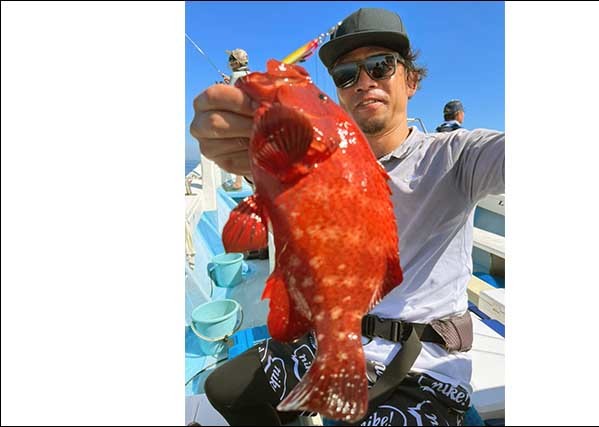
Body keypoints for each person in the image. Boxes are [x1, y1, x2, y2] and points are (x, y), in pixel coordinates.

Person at [190, 7, 504, 426]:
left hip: (420, 366)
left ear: (410, 80)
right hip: (332, 337)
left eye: (380, 66)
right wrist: (249, 158)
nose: (364, 82)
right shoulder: (316, 160)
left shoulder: (458, 155)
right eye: (346, 75)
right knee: (223, 388)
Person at [222, 48, 251, 190]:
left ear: (236, 62)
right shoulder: (250, 74)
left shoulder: (235, 76)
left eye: (231, 59)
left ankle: (238, 182)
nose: (229, 62)